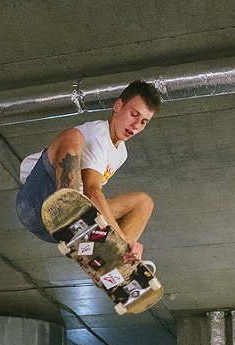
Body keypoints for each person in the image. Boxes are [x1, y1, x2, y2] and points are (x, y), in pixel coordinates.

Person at [15, 80, 161, 262]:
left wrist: (126, 244)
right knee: (73, 136)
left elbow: (92, 196)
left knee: (143, 203)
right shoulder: (98, 132)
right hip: (37, 200)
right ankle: (70, 213)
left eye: (143, 122)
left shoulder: (121, 153)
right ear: (118, 106)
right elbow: (92, 192)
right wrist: (120, 237)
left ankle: (117, 260)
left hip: (56, 228)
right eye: (134, 114)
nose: (136, 125)